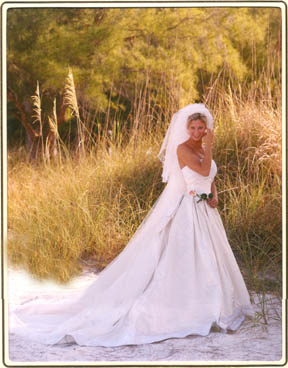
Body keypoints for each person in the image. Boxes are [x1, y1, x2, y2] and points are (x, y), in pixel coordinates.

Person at [9, 103, 254, 348]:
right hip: (188, 209)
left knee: (209, 257)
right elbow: (200, 168)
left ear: (206, 128)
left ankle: (212, 305)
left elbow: (209, 176)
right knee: (184, 258)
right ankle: (184, 308)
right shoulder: (182, 149)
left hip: (206, 211)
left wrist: (215, 194)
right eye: (193, 127)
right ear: (187, 128)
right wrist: (209, 147)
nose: (198, 132)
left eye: (201, 128)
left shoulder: (203, 148)